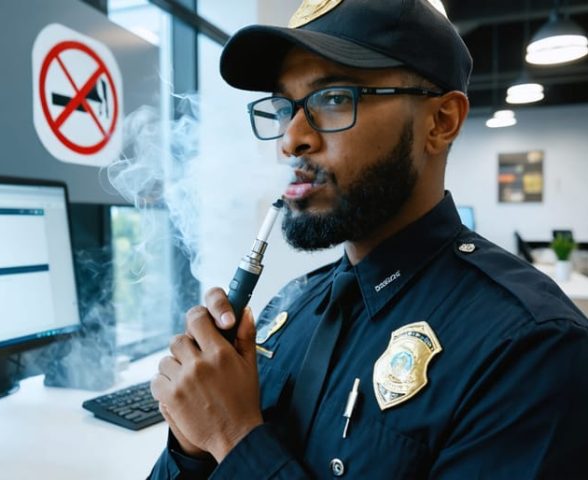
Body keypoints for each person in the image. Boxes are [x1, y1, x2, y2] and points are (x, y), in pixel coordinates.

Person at [148, 0, 588, 478]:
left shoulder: (530, 350)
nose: (290, 139)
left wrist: (234, 439)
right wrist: (192, 445)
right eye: (283, 107)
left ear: (441, 122)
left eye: (334, 97)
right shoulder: (286, 311)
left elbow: (237, 443)